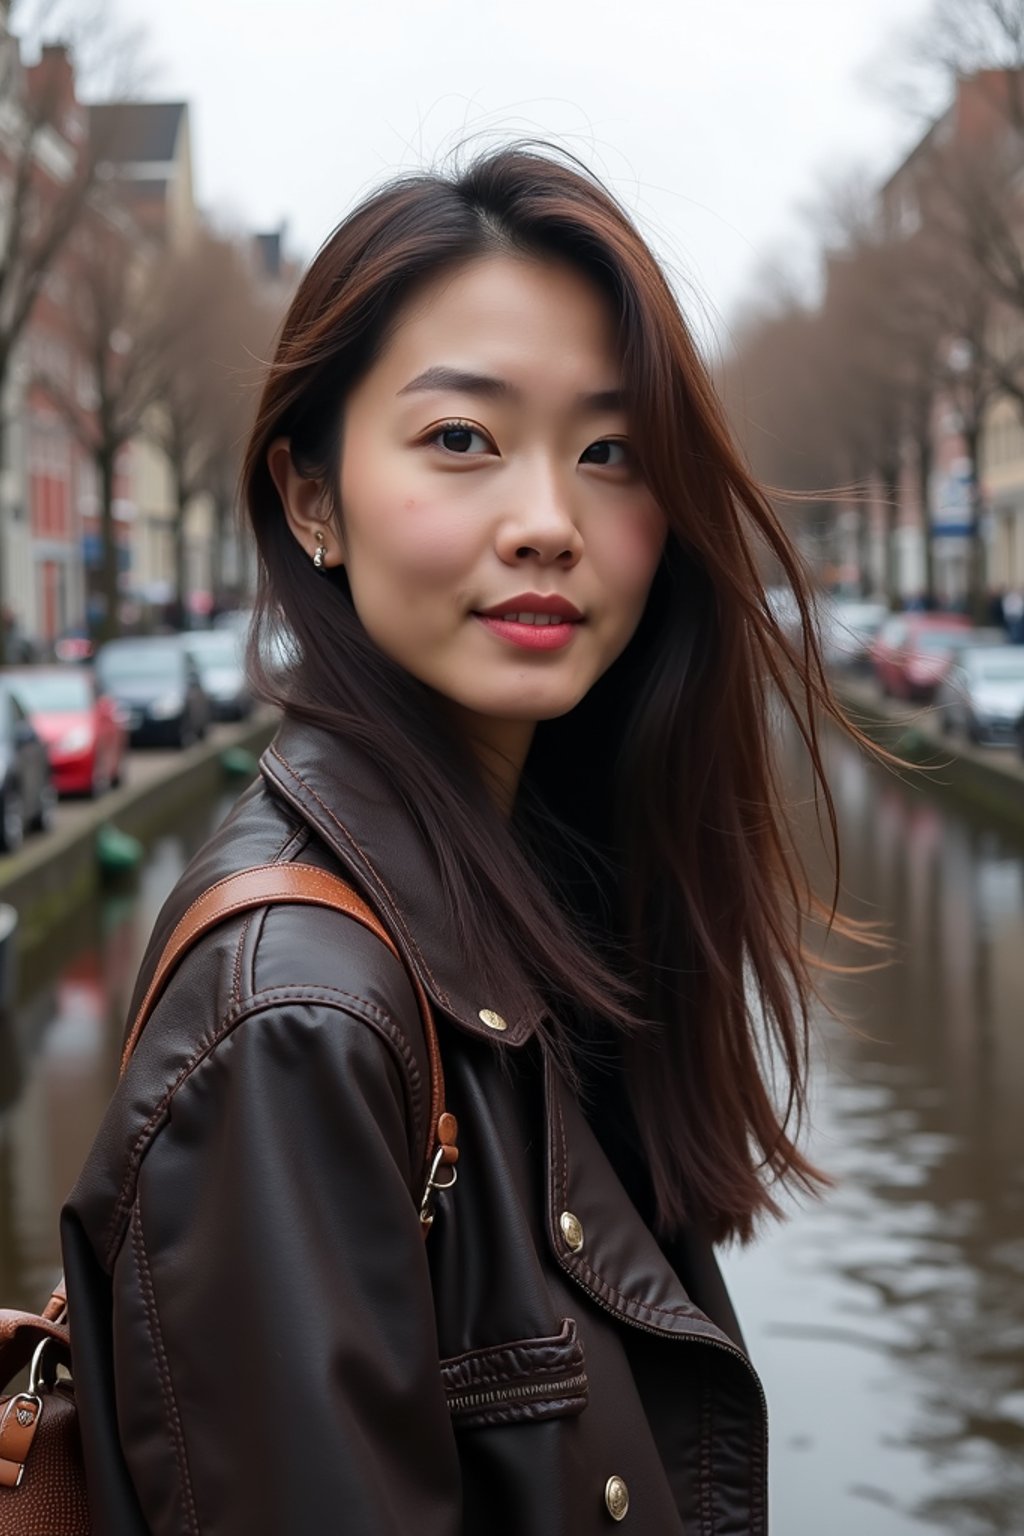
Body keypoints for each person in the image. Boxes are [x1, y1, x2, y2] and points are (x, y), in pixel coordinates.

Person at [59, 146, 873, 1535]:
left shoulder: (539, 915)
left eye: (610, 452)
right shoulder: (301, 1019)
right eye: (461, 441)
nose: (549, 521)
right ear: (311, 498)